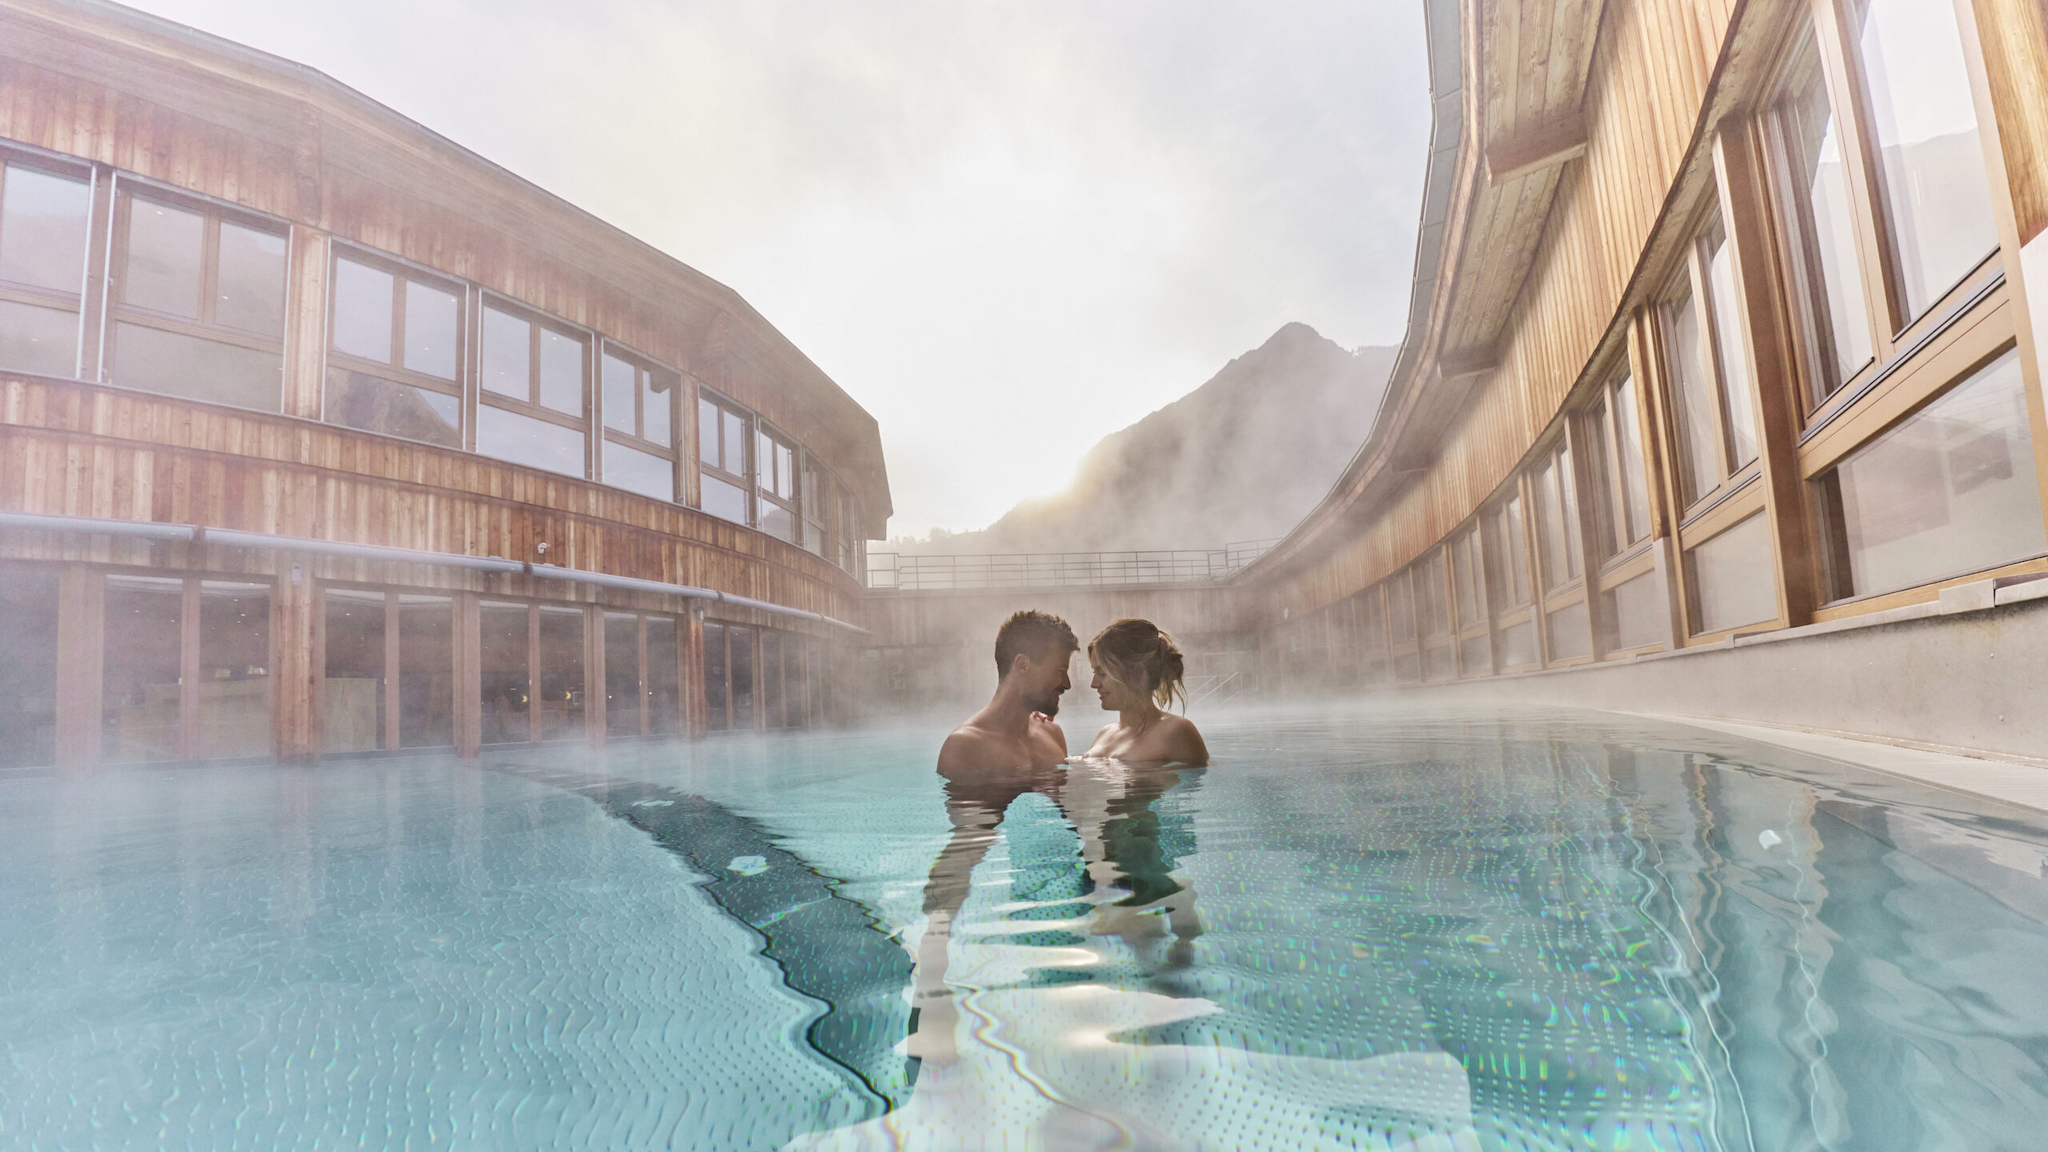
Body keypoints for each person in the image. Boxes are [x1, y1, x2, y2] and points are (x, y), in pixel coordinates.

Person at [914, 610, 1079, 1065]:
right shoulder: (966, 747)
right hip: (1012, 899)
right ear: (1022, 665)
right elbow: (964, 852)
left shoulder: (1053, 737)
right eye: (1061, 668)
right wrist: (932, 975)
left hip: (1056, 894)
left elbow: (1071, 824)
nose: (1067, 683)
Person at [1080, 618, 1208, 765]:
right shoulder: (1104, 734)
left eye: (1102, 673)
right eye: (1094, 673)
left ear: (1139, 674)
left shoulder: (1175, 732)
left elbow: (1194, 786)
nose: (1094, 684)